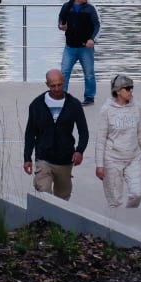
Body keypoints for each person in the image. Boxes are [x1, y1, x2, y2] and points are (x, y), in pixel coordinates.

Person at [23, 68, 89, 201]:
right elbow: (30, 133)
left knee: (62, 199)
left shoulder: (74, 104)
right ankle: (45, 219)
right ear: (47, 85)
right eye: (53, 85)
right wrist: (27, 158)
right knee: (44, 193)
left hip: (65, 160)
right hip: (43, 157)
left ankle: (57, 221)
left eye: (59, 84)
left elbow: (84, 131)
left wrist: (79, 151)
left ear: (64, 82)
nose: (57, 88)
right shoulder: (36, 105)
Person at [95, 74, 141, 208]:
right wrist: (99, 165)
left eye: (132, 88)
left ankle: (128, 215)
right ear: (118, 91)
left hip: (133, 158)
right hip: (112, 160)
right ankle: (117, 225)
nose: (131, 91)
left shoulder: (137, 107)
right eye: (127, 88)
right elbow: (101, 139)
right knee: (115, 202)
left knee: (137, 194)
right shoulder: (106, 110)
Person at [58, 0, 101, 105]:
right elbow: (60, 19)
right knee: (64, 72)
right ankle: (62, 96)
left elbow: (97, 25)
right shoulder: (67, 7)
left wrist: (92, 39)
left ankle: (89, 97)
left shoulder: (90, 8)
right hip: (70, 47)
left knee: (89, 74)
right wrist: (61, 26)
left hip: (85, 48)